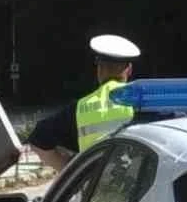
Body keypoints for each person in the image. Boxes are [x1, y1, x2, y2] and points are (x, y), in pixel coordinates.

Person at [24, 34, 140, 172]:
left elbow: (38, 141)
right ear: (129, 69)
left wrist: (71, 171)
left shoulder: (80, 108)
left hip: (94, 190)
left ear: (99, 69)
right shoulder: (147, 104)